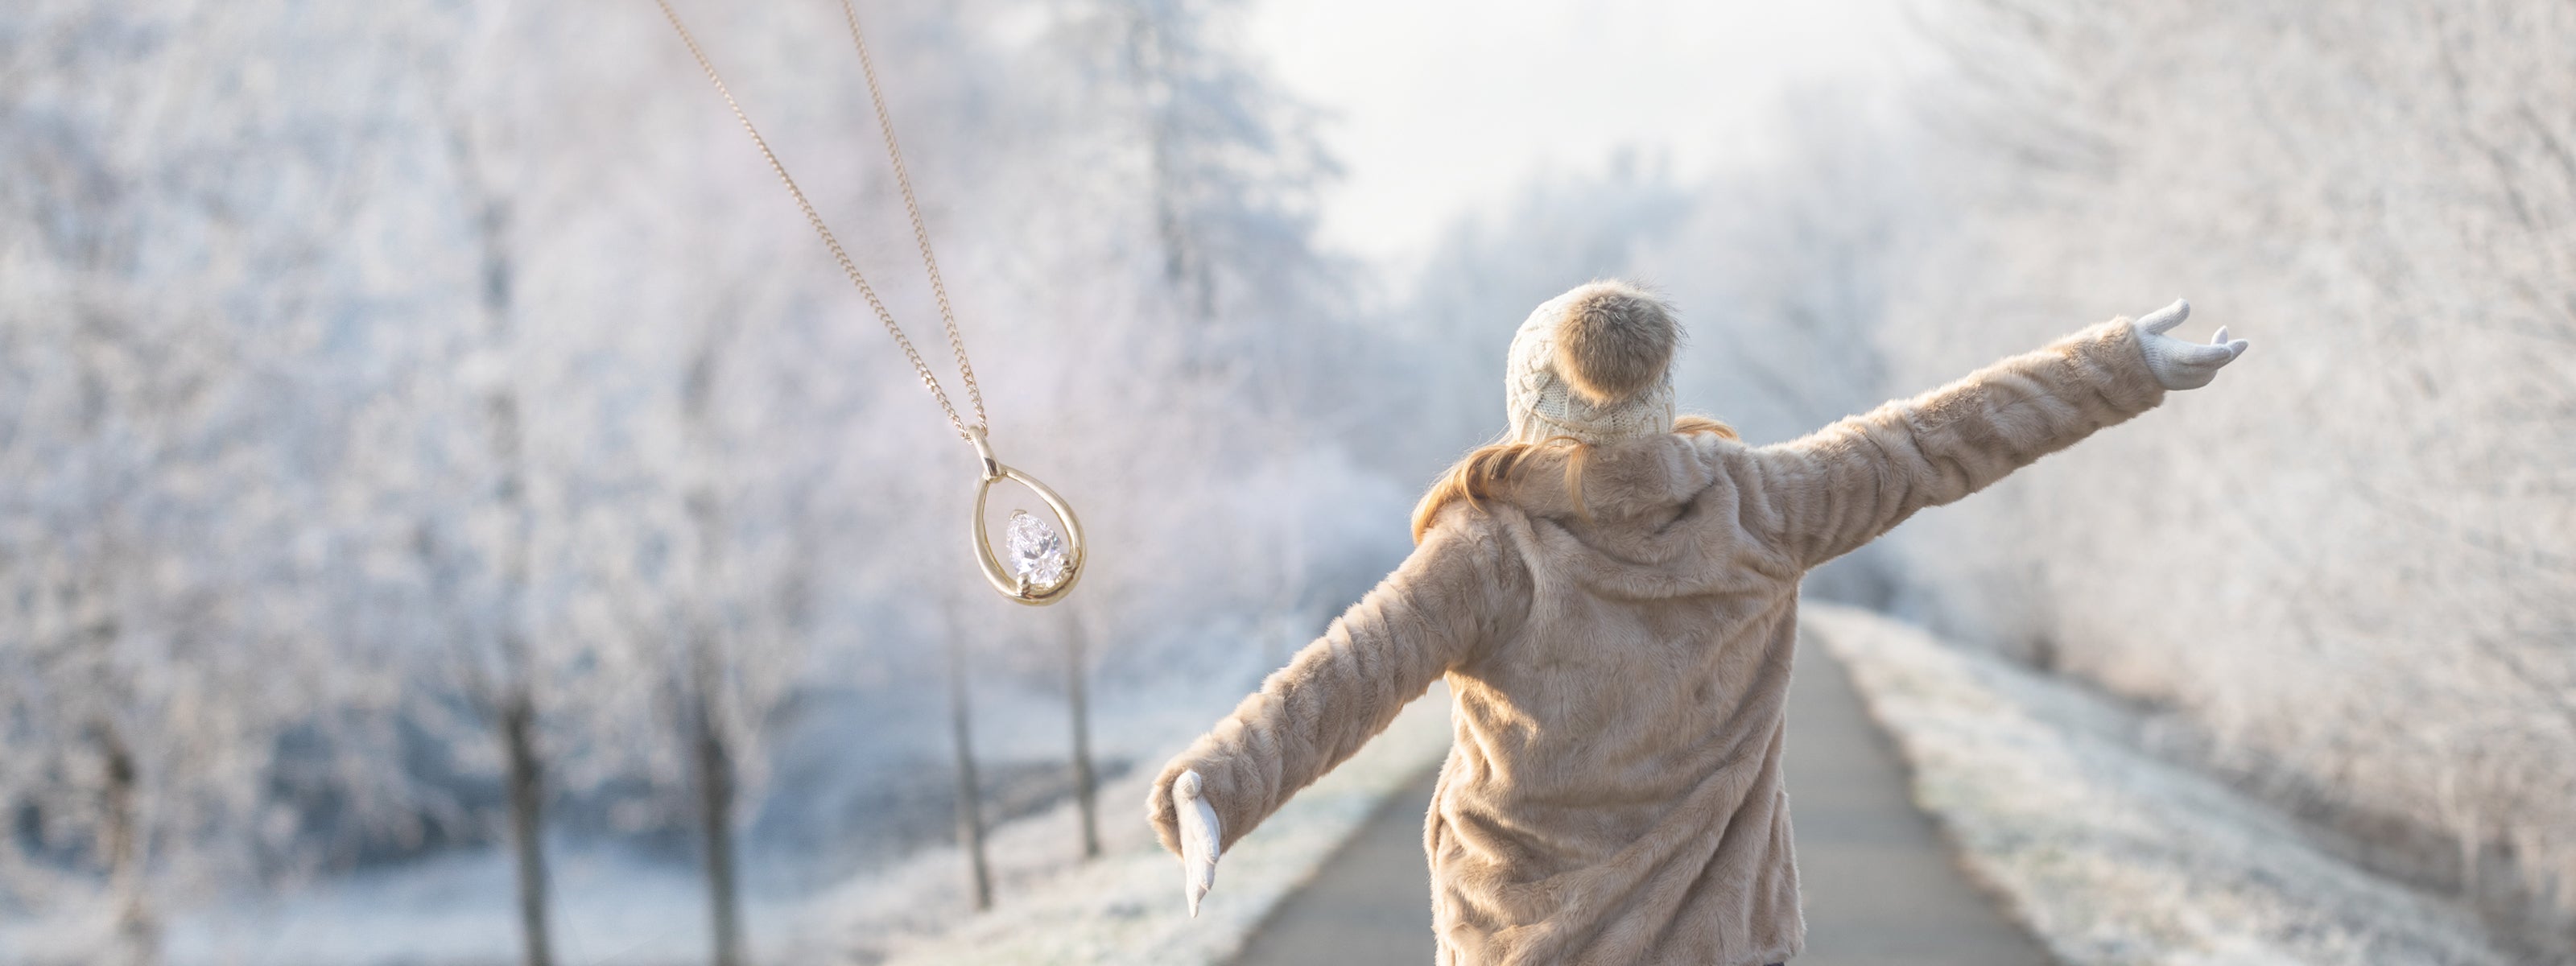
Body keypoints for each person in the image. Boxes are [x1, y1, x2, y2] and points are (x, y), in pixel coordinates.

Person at [1147, 281, 2248, 965]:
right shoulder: (1761, 506)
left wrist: (1217, 784)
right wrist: (2117, 367)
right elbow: (1934, 441)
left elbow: (1350, 673)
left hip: (1520, 943)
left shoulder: (1488, 548)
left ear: (1528, 406)